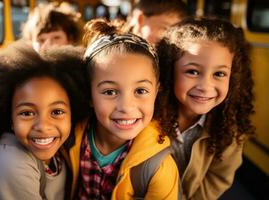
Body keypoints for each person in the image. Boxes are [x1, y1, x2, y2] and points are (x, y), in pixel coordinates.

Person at [69, 19, 179, 200]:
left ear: (156, 91)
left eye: (140, 91)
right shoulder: (68, 138)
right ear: (89, 95)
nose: (126, 107)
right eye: (110, 92)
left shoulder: (158, 169)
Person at [154, 17, 255, 199]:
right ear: (170, 70)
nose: (205, 86)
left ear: (232, 78)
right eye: (193, 71)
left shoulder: (229, 130)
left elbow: (217, 179)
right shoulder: (149, 117)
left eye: (219, 74)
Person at [0, 45, 90, 199]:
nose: (43, 126)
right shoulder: (9, 160)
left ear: (72, 114)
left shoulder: (64, 150)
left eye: (57, 112)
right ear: (10, 118)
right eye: (27, 113)